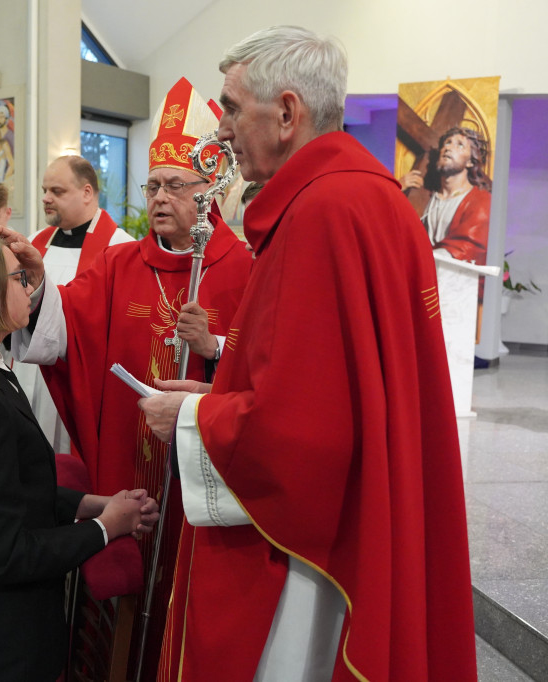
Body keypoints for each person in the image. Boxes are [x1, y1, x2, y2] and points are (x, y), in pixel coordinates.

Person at [138, 26, 477, 681]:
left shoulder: (321, 213)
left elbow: (300, 439)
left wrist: (185, 421)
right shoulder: (373, 197)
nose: (223, 130)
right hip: (361, 505)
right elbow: (336, 392)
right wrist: (213, 396)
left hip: (310, 557)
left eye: (232, 108)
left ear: (287, 113)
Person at [0, 77, 253, 676]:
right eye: (152, 185)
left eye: (175, 186)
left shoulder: (242, 270)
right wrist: (35, 281)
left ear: (210, 193)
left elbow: (272, 369)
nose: (159, 197)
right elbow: (67, 329)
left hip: (201, 473)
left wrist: (215, 347)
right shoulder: (120, 262)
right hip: (128, 461)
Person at [0, 236, 160, 682]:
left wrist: (89, 504)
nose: (29, 289)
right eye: (19, 278)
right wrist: (107, 528)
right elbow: (3, 554)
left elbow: (11, 487)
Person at [29, 156, 136, 454]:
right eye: (44, 190)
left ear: (87, 192)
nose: (46, 198)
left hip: (83, 380)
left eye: (57, 191)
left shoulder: (121, 248)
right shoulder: (33, 244)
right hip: (32, 377)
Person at [402, 126, 492, 265]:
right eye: (447, 143)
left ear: (470, 162)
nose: (449, 148)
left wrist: (418, 260)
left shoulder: (481, 201)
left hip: (454, 279)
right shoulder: (425, 196)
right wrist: (397, 190)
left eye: (459, 145)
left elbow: (466, 247)